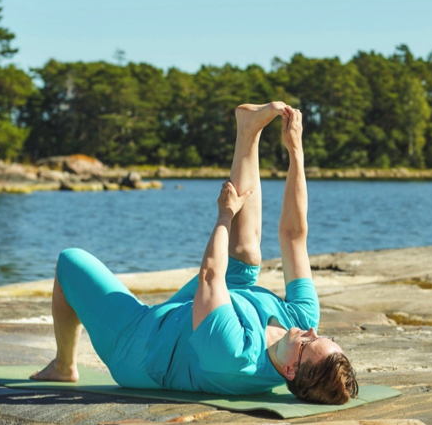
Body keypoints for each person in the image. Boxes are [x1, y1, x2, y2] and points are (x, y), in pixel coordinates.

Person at [30, 102, 359, 405]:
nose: (312, 331)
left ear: (290, 370)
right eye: (322, 335)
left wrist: (225, 215)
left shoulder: (234, 356)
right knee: (244, 256)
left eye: (307, 343)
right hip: (194, 316)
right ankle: (248, 130)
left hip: (141, 343)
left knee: (69, 261)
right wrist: (296, 152)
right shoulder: (300, 323)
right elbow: (294, 236)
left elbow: (210, 276)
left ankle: (63, 365)